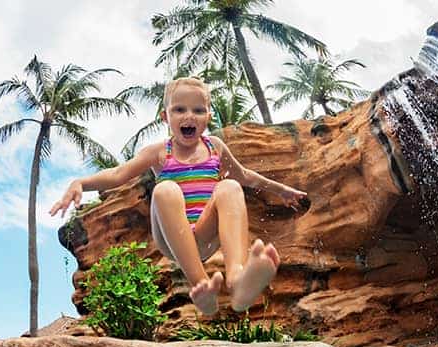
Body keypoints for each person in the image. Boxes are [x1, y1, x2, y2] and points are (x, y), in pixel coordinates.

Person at [50, 77, 307, 315]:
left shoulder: (215, 148)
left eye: (198, 110)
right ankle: (201, 286)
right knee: (165, 189)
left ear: (208, 116)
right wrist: (80, 182)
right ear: (166, 116)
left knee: (229, 187)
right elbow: (119, 174)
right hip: (172, 239)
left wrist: (282, 190)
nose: (189, 116)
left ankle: (238, 280)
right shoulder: (160, 152)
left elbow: (245, 176)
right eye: (180, 109)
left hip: (205, 235)